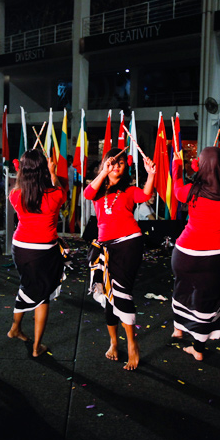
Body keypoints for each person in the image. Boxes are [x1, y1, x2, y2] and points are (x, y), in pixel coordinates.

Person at [84, 148, 156, 370]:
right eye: (112, 162)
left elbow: (145, 195)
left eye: (121, 163)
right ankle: (114, 342)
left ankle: (132, 344)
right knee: (108, 294)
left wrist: (151, 174)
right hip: (105, 247)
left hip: (129, 243)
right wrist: (104, 173)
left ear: (125, 167)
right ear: (105, 164)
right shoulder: (97, 187)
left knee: (122, 291)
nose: (116, 166)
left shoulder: (130, 189)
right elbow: (87, 194)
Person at [171, 147, 220, 361]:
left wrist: (177, 165)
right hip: (215, 256)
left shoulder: (191, 190)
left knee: (182, 290)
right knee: (205, 300)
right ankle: (198, 348)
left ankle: (179, 328)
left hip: (185, 253)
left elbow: (176, 187)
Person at [7, 149, 68, 357]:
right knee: (43, 297)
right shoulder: (55, 194)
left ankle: (15, 328)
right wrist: (53, 173)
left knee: (26, 285)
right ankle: (36, 347)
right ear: (42, 169)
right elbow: (62, 193)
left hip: (20, 248)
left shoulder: (14, 194)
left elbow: (25, 187)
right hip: (43, 250)